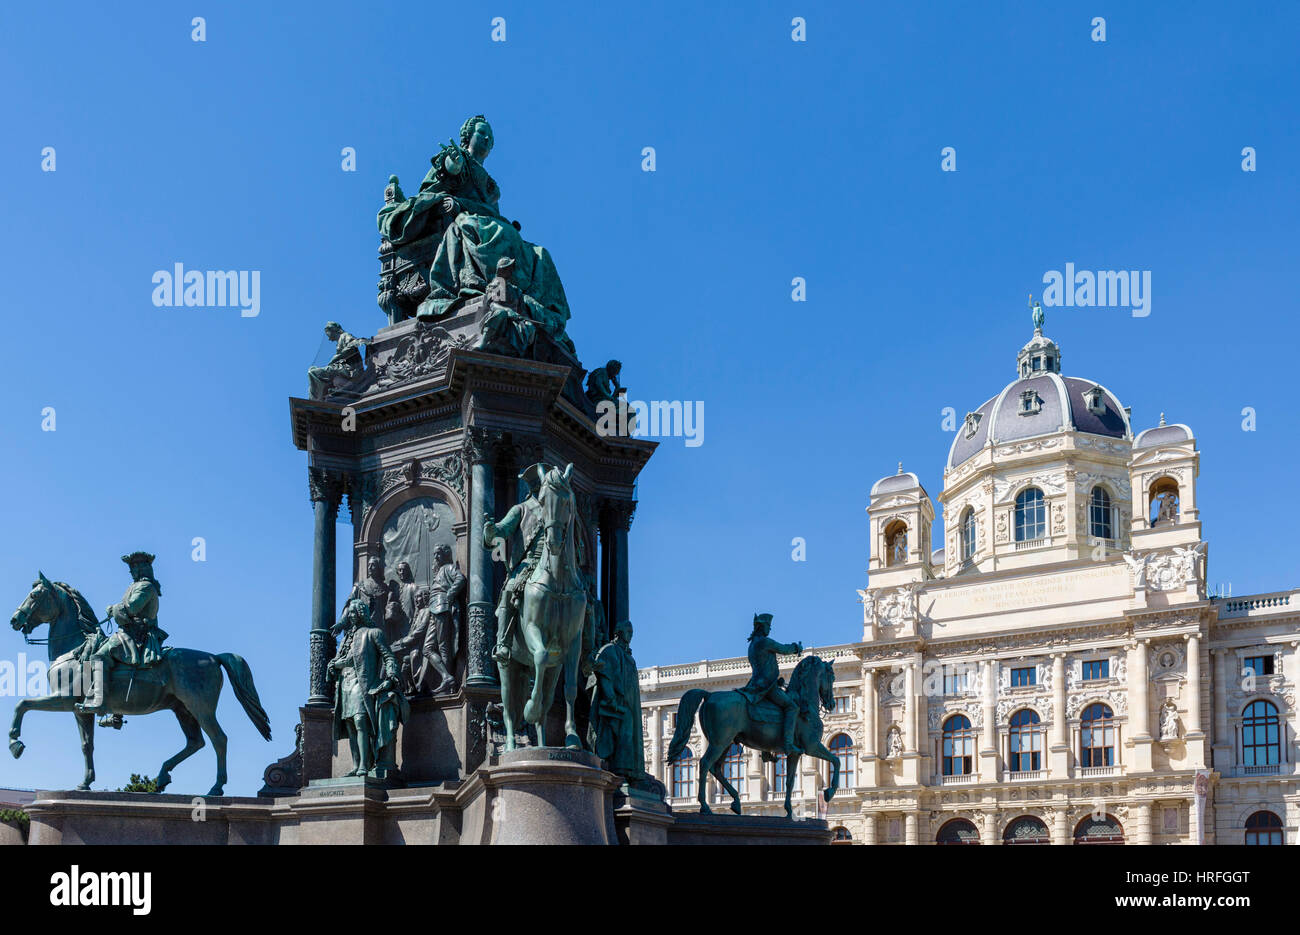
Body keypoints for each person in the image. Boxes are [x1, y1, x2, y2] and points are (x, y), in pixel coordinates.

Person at [376, 115, 571, 345]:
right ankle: (491, 289)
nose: (487, 139)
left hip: (489, 223)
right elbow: (431, 189)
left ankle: (528, 305)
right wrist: (452, 167)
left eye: (491, 137)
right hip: (463, 222)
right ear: (467, 137)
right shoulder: (456, 158)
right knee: (483, 229)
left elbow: (492, 212)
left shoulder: (490, 184)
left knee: (539, 254)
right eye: (482, 133)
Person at [76, 551, 169, 719]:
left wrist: (113, 608)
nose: (131, 571)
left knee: (99, 657)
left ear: (141, 569)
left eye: (133, 567)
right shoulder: (136, 586)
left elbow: (132, 608)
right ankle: (116, 713)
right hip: (130, 632)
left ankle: (99, 702)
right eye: (131, 568)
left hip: (137, 634)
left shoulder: (146, 586)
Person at [328, 598, 408, 779]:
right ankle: (356, 765)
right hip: (345, 685)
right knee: (350, 726)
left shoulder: (373, 633)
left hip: (362, 684)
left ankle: (365, 764)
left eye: (354, 612)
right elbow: (340, 660)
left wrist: (391, 676)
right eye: (350, 613)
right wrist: (333, 665)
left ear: (361, 613)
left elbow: (388, 656)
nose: (351, 615)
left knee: (360, 722)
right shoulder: (346, 638)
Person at [482, 465, 547, 663]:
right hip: (528, 564)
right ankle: (503, 643)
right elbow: (502, 530)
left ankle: (587, 653)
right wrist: (491, 531)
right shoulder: (521, 509)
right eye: (540, 485)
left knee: (584, 600)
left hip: (557, 563)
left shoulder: (558, 508)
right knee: (509, 591)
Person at [738, 613, 803, 755]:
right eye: (768, 626)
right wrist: (796, 647)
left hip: (756, 684)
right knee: (792, 707)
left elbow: (763, 667)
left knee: (769, 711)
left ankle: (766, 751)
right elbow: (783, 649)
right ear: (762, 627)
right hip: (766, 686)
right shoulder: (764, 642)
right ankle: (788, 744)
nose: (769, 629)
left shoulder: (752, 645)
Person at [308, 322, 366, 400]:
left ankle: (316, 399)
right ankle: (316, 398)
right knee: (312, 371)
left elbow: (352, 345)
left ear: (333, 330)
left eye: (328, 334)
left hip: (349, 370)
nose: (329, 339)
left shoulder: (345, 336)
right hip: (342, 369)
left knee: (313, 372)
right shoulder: (339, 341)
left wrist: (336, 358)